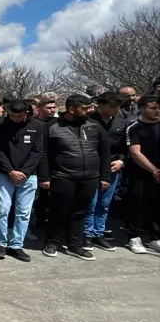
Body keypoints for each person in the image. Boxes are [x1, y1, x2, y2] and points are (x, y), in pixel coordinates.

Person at [41, 95, 111, 260]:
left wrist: (105, 176)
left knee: (80, 212)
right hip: (62, 176)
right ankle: (51, 242)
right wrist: (44, 177)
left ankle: (75, 245)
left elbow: (105, 152)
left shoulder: (94, 126)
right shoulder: (52, 126)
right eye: (85, 108)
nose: (89, 110)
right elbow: (43, 153)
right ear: (72, 109)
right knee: (58, 211)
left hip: (90, 177)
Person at [0, 99, 43, 261]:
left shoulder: (38, 126)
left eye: (18, 116)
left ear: (26, 113)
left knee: (24, 212)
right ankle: (0, 243)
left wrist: (24, 172)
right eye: (11, 115)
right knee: (3, 209)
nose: (14, 119)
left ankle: (17, 244)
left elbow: (37, 151)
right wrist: (10, 171)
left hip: (28, 174)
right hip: (5, 173)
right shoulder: (1, 124)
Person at [82, 93, 128, 251]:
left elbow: (125, 146)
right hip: (91, 168)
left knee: (104, 203)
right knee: (91, 203)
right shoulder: (88, 121)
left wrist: (121, 160)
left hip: (112, 167)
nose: (116, 110)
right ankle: (86, 234)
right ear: (100, 105)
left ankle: (98, 233)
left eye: (118, 106)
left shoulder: (121, 122)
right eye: (113, 106)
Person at [124, 95, 160, 254]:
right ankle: (134, 237)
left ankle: (156, 238)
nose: (157, 111)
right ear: (142, 108)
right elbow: (135, 153)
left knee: (157, 207)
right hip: (141, 173)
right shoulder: (134, 128)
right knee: (138, 205)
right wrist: (154, 170)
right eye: (153, 108)